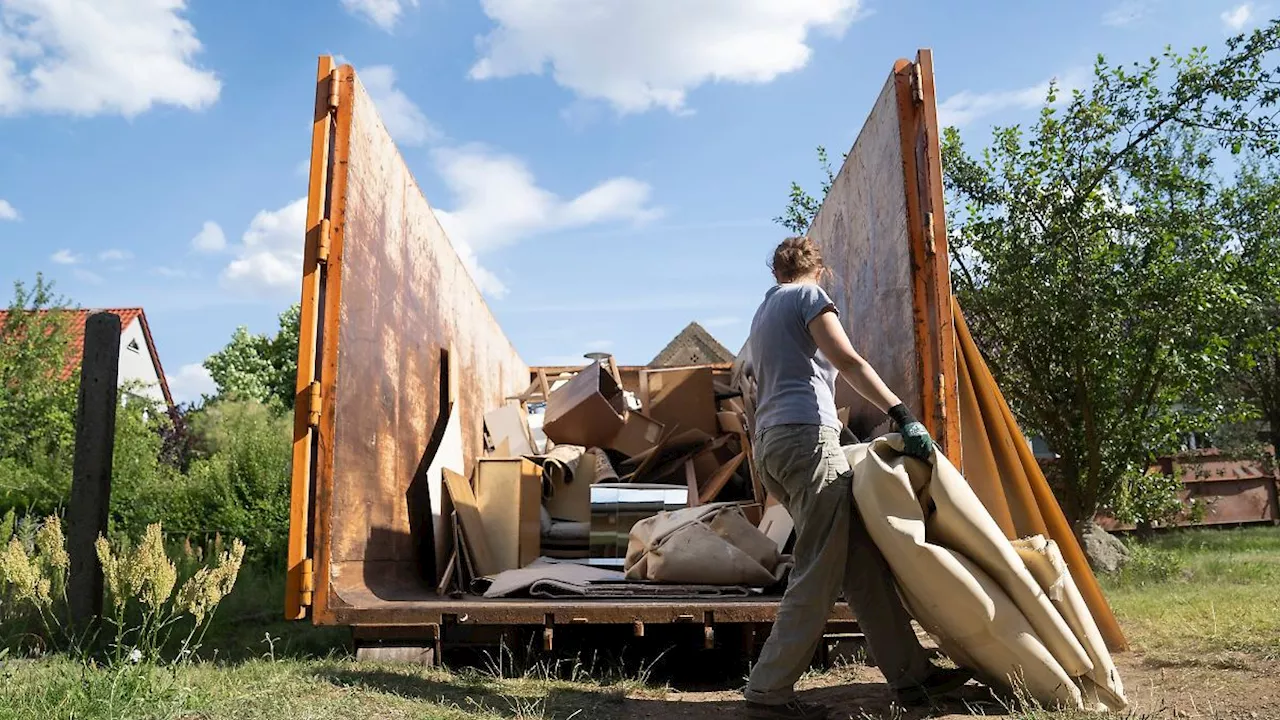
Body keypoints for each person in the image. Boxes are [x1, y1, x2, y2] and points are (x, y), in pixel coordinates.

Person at [742, 236, 972, 719]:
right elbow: (847, 360)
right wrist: (900, 412)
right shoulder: (807, 298)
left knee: (859, 566)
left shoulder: (764, 313)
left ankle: (914, 679)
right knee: (818, 570)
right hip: (806, 442)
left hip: (775, 446)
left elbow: (780, 383)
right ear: (820, 271)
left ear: (775, 271)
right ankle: (767, 692)